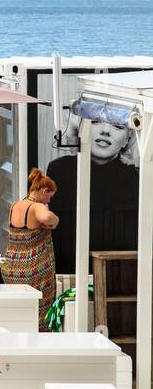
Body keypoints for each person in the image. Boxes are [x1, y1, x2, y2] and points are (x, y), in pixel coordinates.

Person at [45, 108, 139, 275]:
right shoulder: (59, 170)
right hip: (67, 271)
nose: (105, 131)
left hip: (121, 274)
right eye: (95, 122)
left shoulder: (136, 176)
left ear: (127, 139)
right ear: (79, 129)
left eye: (117, 126)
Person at [3, 168, 60, 332]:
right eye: (50, 196)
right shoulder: (36, 207)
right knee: (38, 313)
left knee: (19, 311)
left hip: (11, 268)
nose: (49, 200)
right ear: (44, 191)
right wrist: (56, 220)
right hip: (33, 269)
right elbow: (47, 218)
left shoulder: (15, 205)